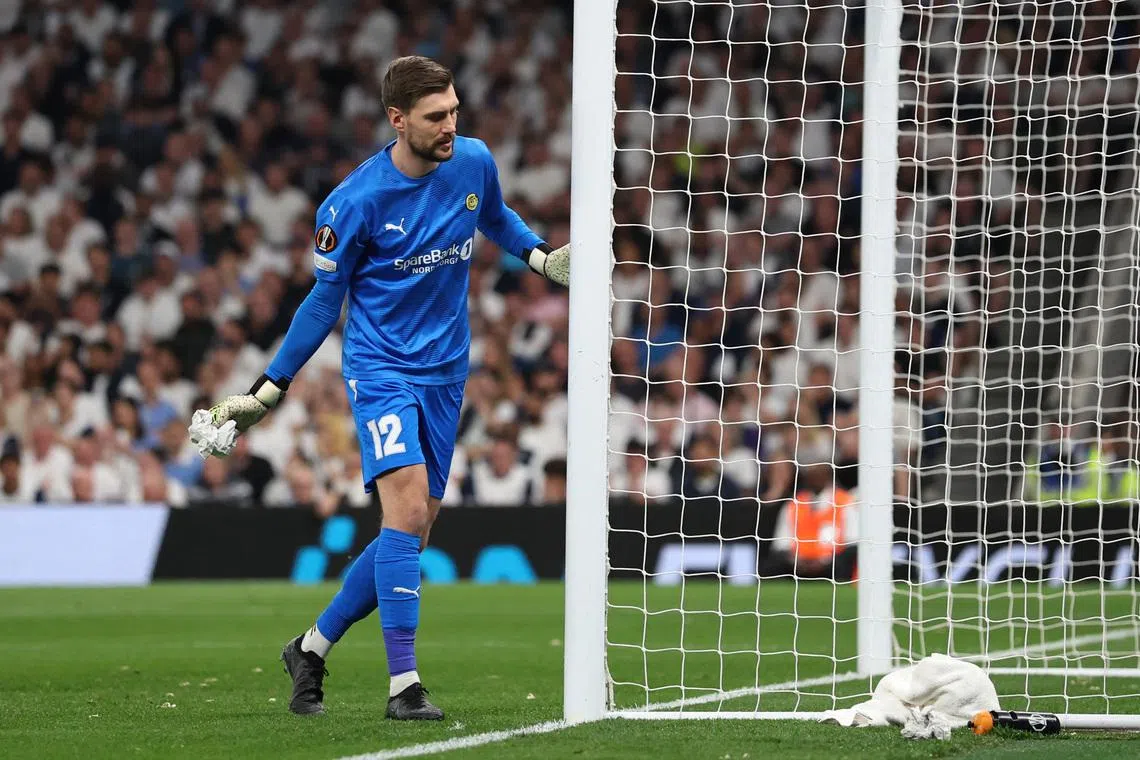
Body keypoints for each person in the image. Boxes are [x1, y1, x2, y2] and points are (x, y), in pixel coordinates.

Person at [189, 56, 570, 720]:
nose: (451, 125)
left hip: (448, 371)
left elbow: (496, 219)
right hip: (382, 370)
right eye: (435, 117)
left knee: (416, 528)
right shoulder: (353, 203)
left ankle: (310, 647)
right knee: (407, 514)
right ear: (398, 120)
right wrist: (267, 389)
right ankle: (404, 687)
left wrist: (540, 256)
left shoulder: (473, 160)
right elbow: (319, 305)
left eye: (454, 110)